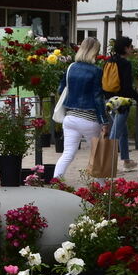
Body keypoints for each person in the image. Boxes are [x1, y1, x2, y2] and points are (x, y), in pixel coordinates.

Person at [53, 37, 109, 180]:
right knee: (97, 155)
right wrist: (104, 121)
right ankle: (101, 189)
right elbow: (98, 98)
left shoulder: (71, 67)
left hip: (70, 118)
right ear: (94, 52)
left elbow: (61, 89)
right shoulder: (96, 71)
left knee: (67, 154)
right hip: (89, 119)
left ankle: (56, 182)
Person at [103, 36, 138, 171]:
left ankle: (126, 160)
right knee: (115, 133)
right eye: (131, 46)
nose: (132, 49)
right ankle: (108, 165)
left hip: (108, 100)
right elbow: (127, 88)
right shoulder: (125, 64)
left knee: (123, 131)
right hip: (121, 102)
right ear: (125, 48)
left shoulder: (108, 61)